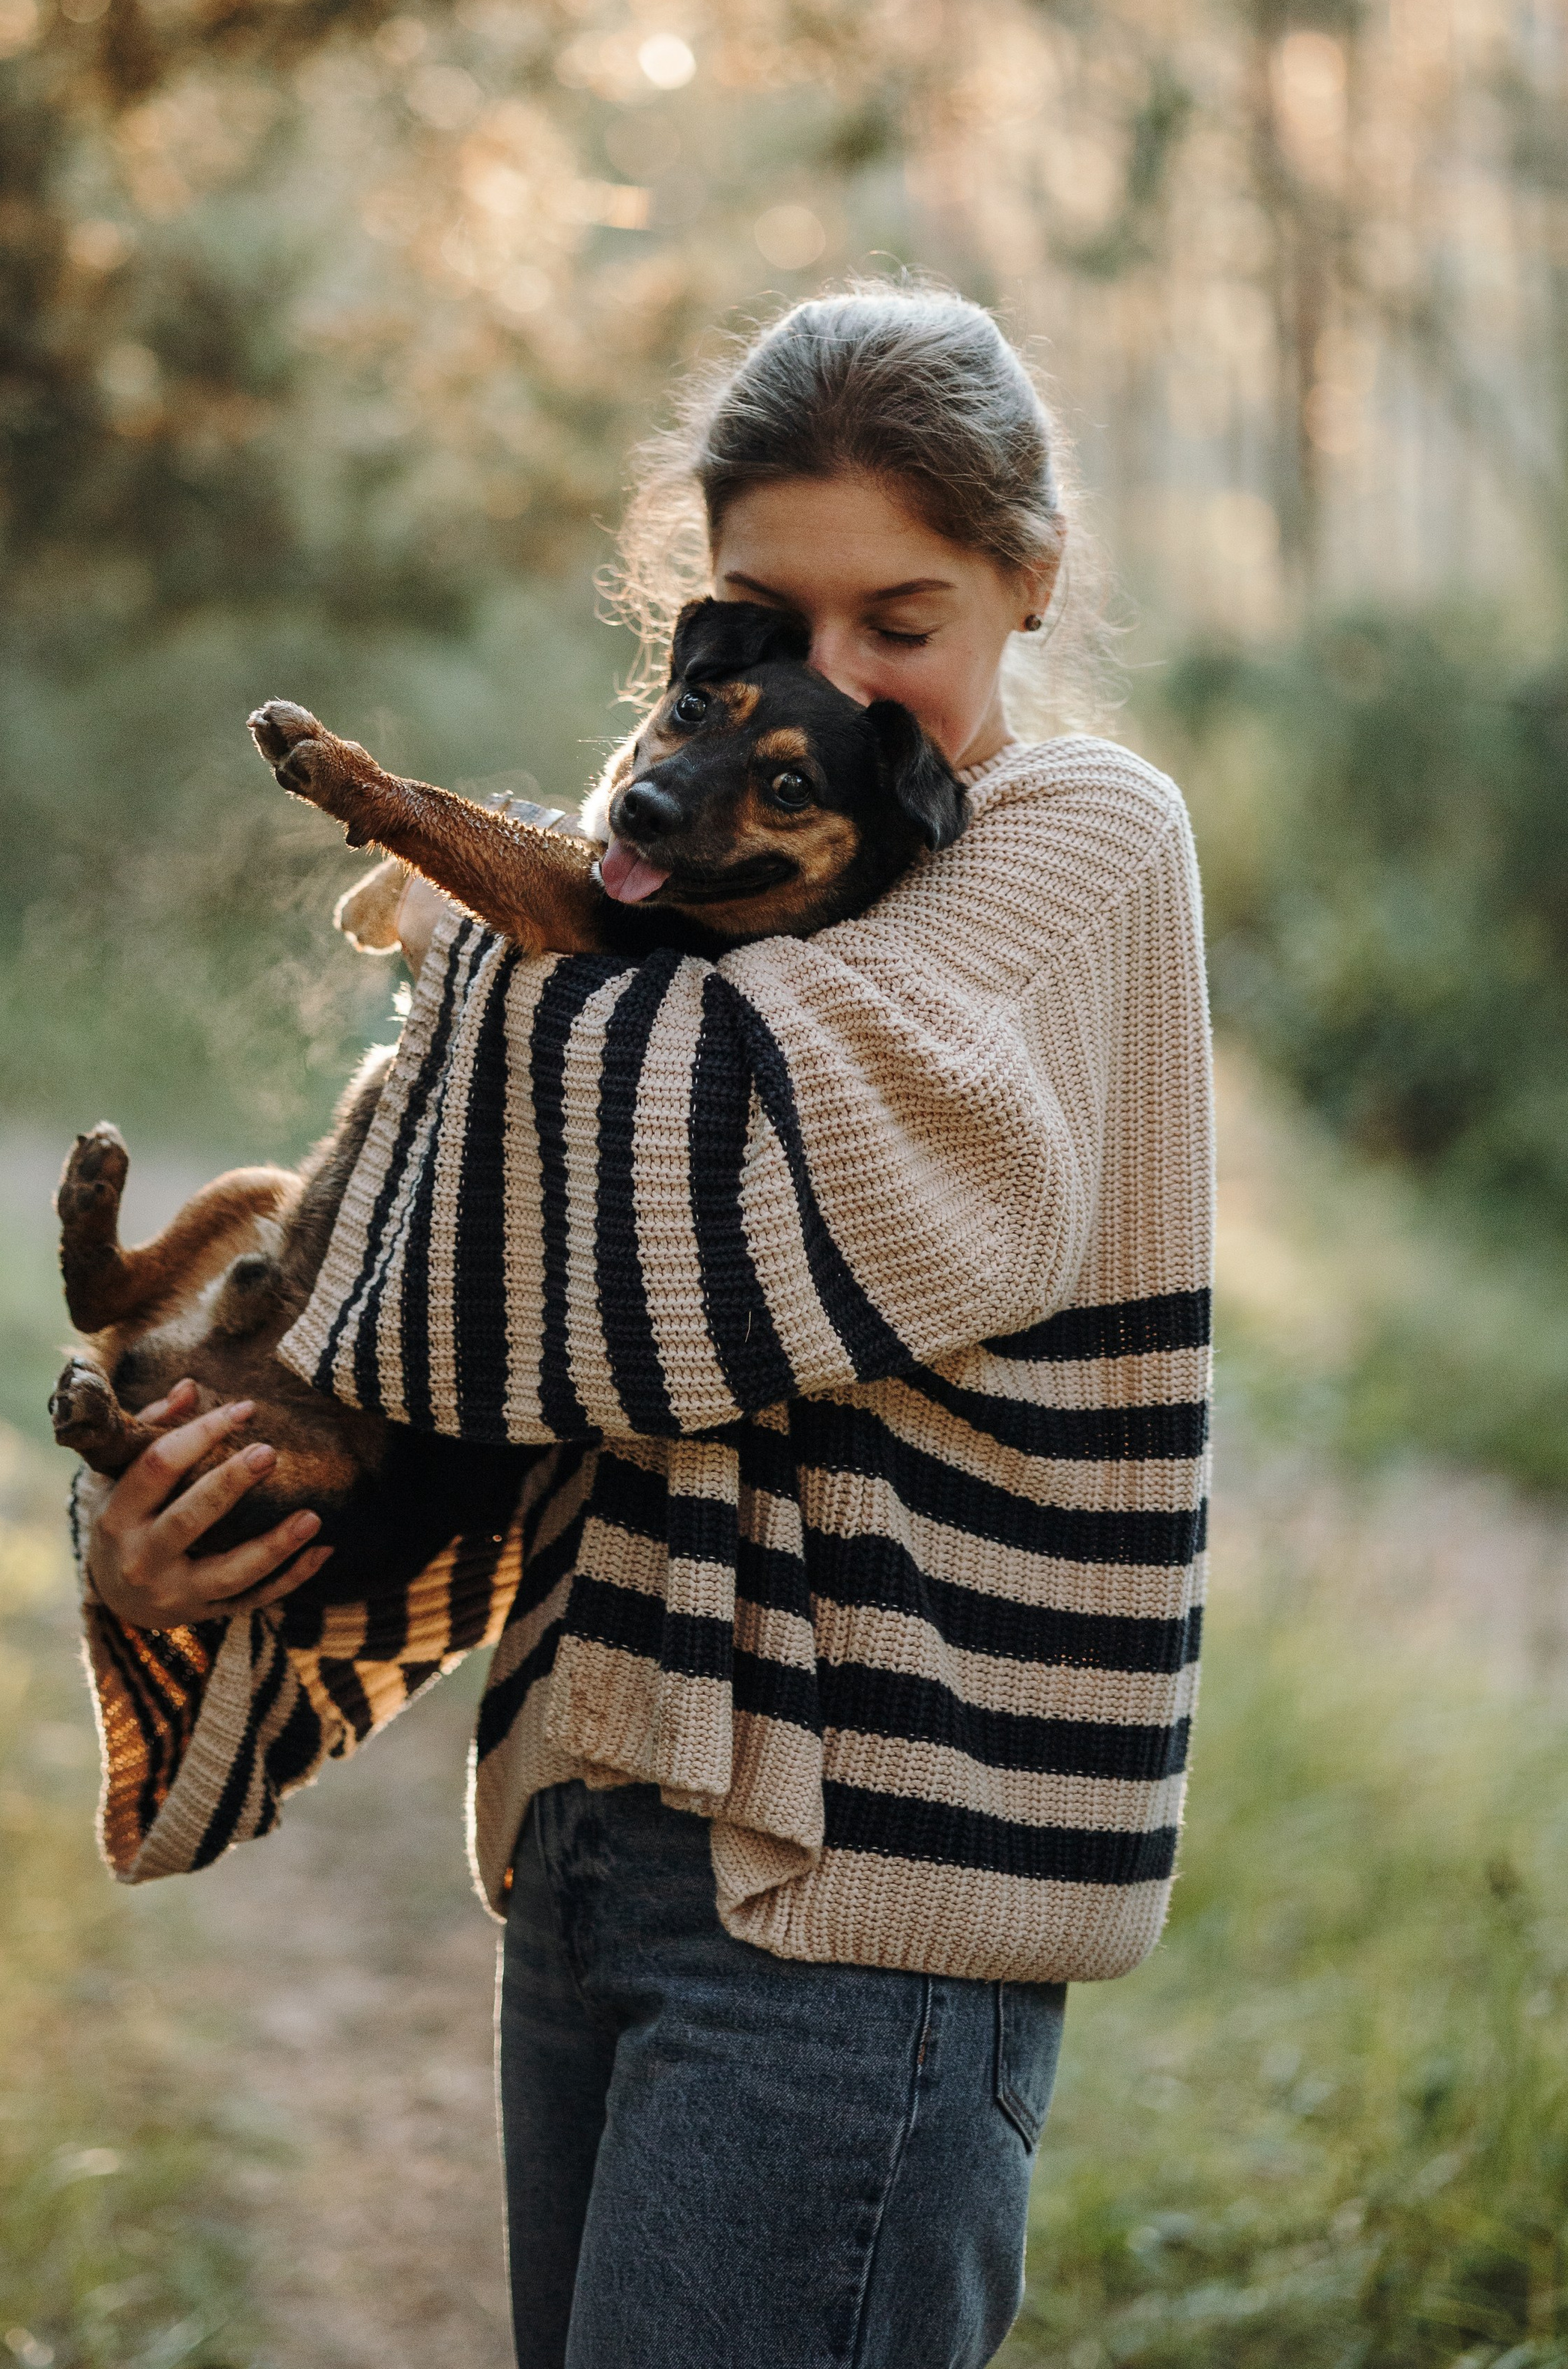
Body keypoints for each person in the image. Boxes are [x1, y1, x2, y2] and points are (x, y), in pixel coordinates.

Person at [79, 285, 1213, 2369]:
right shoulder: (678, 870)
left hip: (859, 1917)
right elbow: (463, 1336)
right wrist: (197, 1542)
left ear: (1031, 579)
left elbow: (687, 1168)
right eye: (769, 619)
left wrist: (520, 934)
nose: (833, 677)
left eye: (901, 620)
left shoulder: (1077, 848)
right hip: (590, 1848)